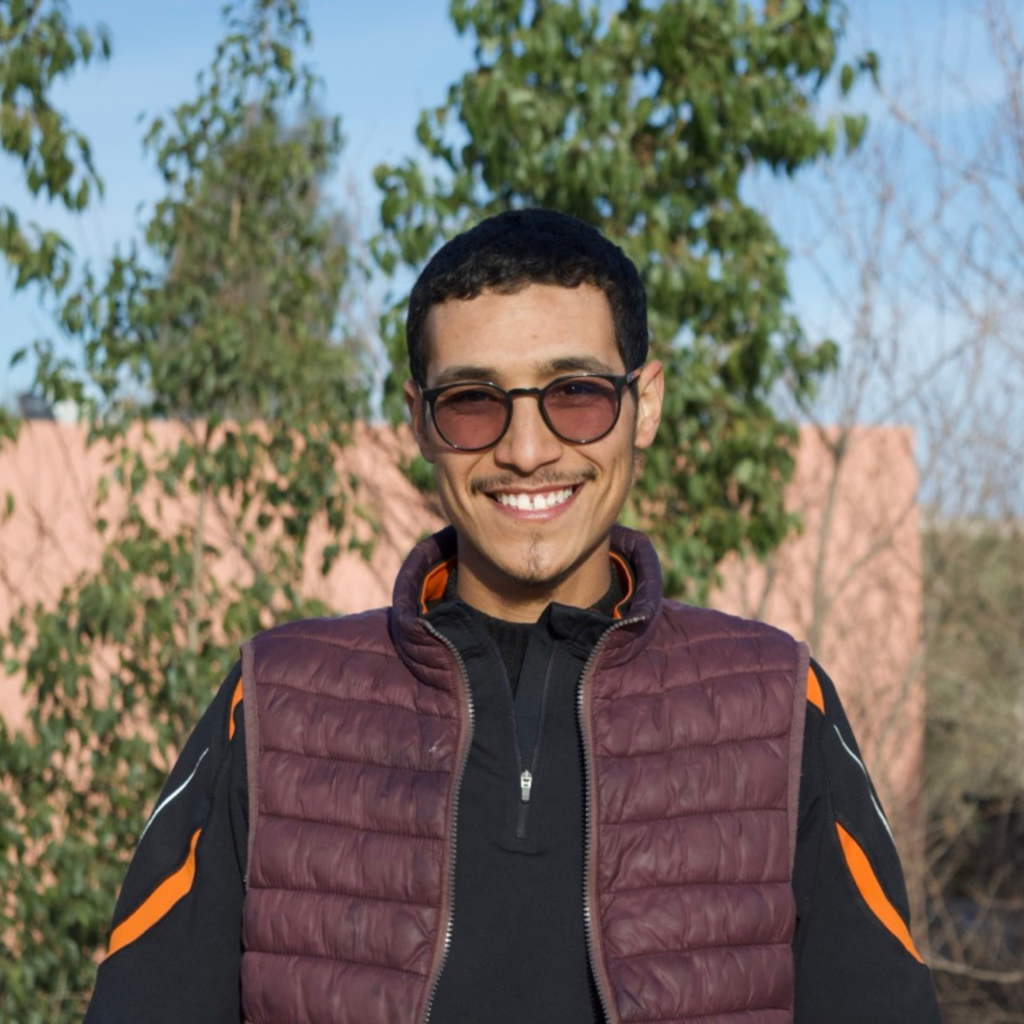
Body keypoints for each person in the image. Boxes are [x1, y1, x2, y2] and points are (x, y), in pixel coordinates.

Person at [86, 208, 941, 1023]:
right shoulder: (276, 702)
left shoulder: (776, 704)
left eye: (575, 394)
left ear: (645, 404)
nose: (527, 450)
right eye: (472, 401)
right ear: (419, 420)